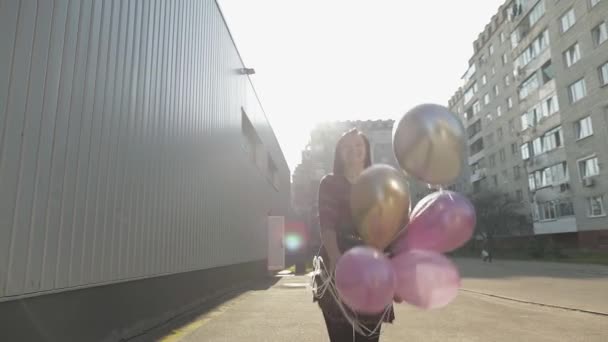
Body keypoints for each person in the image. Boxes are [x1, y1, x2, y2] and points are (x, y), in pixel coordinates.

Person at [313, 128, 395, 342]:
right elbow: (327, 223)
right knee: (341, 337)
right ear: (339, 154)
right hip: (336, 268)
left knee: (368, 337)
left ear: (366, 151)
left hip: (371, 271)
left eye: (359, 146)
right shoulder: (330, 183)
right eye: (347, 147)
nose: (354, 151)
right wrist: (336, 257)